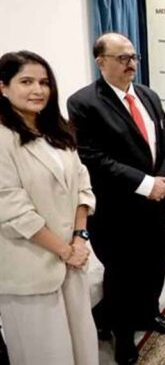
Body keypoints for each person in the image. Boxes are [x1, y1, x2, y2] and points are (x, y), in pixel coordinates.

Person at [67, 33, 165, 365]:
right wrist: (145, 183)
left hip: (156, 201)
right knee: (122, 274)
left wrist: (162, 179)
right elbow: (92, 156)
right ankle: (123, 336)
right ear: (100, 62)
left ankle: (150, 313)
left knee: (154, 264)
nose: (131, 64)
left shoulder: (148, 95)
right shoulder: (83, 103)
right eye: (122, 58)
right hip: (116, 207)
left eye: (134, 57)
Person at [0, 51, 98, 365]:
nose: (38, 90)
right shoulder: (3, 139)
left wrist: (79, 239)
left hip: (72, 259)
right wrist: (64, 250)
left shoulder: (57, 131)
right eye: (26, 82)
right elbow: (13, 211)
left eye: (44, 82)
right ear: (3, 87)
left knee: (82, 347)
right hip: (31, 266)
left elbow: (82, 185)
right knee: (46, 354)